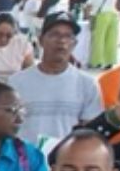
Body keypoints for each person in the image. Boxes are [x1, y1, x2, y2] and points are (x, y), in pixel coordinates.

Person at [9, 16, 104, 146]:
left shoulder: (87, 84)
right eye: (55, 35)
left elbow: (90, 131)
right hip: (26, 156)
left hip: (68, 156)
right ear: (41, 40)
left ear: (75, 43)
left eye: (68, 36)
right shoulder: (16, 82)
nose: (62, 41)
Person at [0, 14, 34, 81]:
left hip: (16, 82)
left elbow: (29, 71)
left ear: (14, 34)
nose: (3, 39)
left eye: (9, 35)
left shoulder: (22, 44)